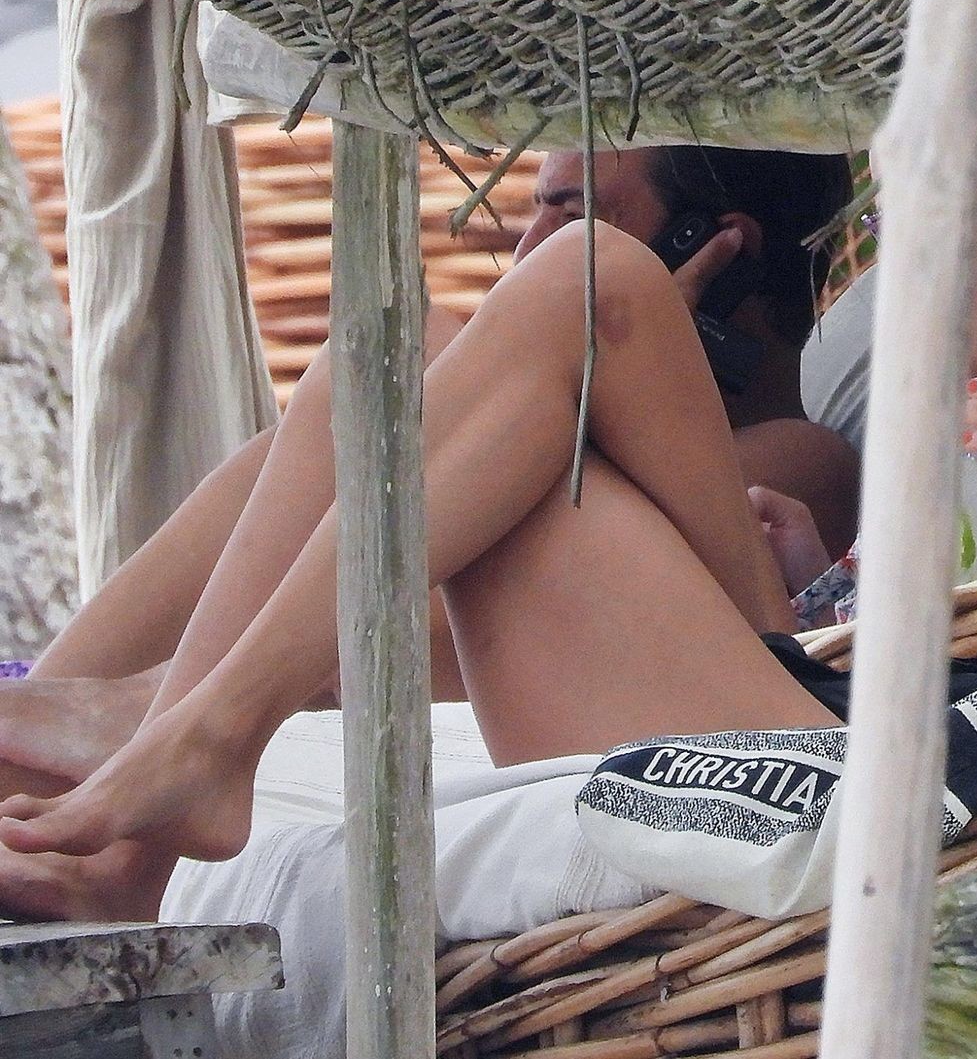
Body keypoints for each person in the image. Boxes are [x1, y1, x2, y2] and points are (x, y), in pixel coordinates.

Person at [0, 143, 855, 797]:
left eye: (574, 215)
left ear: (724, 252)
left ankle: (167, 712)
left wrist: (620, 319)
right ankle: (72, 717)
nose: (528, 253)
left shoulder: (807, 460)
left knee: (417, 361)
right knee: (380, 371)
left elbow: (441, 614)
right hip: (651, 705)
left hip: (746, 724)